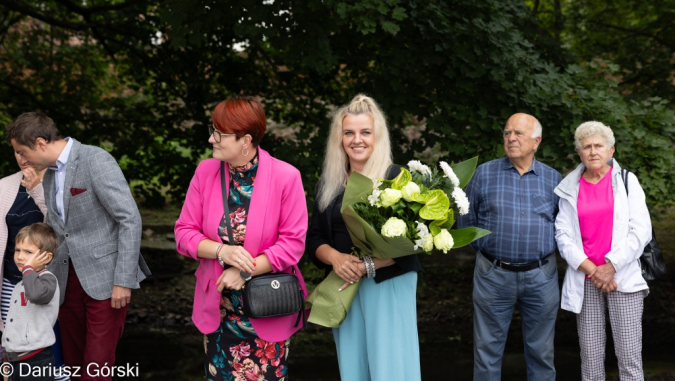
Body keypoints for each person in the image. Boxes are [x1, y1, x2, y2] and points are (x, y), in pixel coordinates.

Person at [6, 112, 151, 380]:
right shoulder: (48, 174)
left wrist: (123, 280)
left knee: (96, 368)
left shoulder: (96, 159)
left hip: (106, 282)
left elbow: (129, 219)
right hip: (64, 282)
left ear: (40, 143)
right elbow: (59, 227)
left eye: (22, 152)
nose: (21, 160)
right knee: (73, 365)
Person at [174, 96, 308, 381]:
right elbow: (184, 232)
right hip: (219, 313)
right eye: (213, 131)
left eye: (219, 134)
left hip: (267, 309)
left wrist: (245, 270)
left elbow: (293, 244)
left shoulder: (287, 177)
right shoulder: (205, 172)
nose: (211, 139)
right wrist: (222, 251)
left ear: (245, 140)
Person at [305, 94, 423, 381]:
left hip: (388, 283)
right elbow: (314, 236)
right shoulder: (330, 183)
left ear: (377, 136)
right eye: (349, 133)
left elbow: (418, 239)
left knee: (390, 367)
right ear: (340, 139)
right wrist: (335, 259)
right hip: (343, 285)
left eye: (365, 132)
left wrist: (367, 265)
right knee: (353, 366)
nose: (357, 140)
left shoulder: (397, 178)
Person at [457, 113, 562, 381]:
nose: (511, 138)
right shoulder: (484, 173)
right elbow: (466, 220)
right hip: (493, 273)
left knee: (541, 352)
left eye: (518, 133)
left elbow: (564, 227)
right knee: (487, 351)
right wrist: (488, 253)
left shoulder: (554, 179)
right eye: (507, 133)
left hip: (541, 276)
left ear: (536, 141)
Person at [554, 121, 651, 380]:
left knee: (629, 359)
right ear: (579, 153)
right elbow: (562, 235)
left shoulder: (628, 181)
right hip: (586, 281)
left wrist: (610, 267)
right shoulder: (569, 187)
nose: (593, 151)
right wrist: (592, 270)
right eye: (587, 147)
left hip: (622, 278)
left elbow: (641, 231)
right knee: (591, 360)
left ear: (611, 151)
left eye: (599, 146)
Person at [0, 144, 69, 381]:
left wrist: (37, 189)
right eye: (17, 152)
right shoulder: (5, 186)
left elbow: (60, 228)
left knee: (46, 341)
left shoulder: (57, 182)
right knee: (12, 334)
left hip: (44, 279)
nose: (21, 158)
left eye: (26, 151)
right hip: (9, 279)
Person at [2, 222, 60, 381]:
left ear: (46, 257)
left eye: (28, 252)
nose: (20, 256)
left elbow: (36, 295)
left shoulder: (48, 280)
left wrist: (28, 268)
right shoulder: (19, 285)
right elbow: (13, 327)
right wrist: (6, 361)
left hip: (36, 360)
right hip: (14, 360)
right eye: (18, 250)